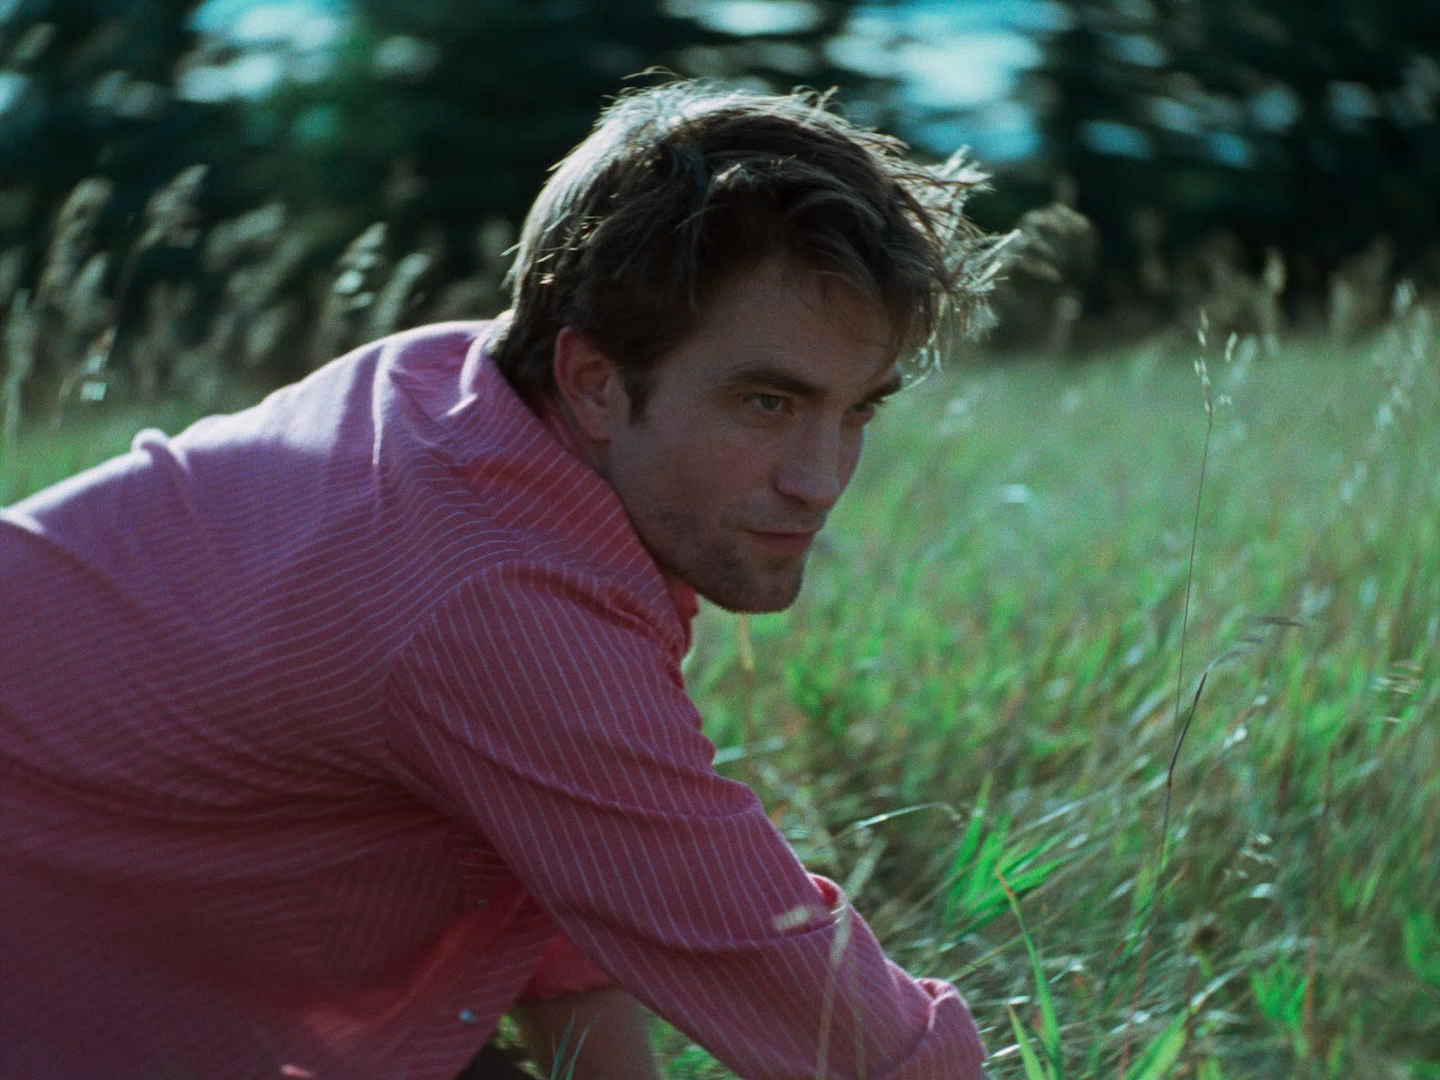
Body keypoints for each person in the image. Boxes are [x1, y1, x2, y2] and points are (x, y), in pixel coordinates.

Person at [0, 82, 997, 1079]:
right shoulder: (496, 588)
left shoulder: (459, 396)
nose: (820, 481)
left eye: (857, 411)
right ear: (593, 382)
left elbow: (556, 874)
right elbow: (814, 1006)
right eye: (768, 403)